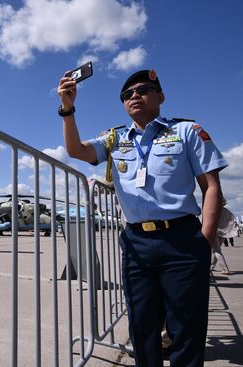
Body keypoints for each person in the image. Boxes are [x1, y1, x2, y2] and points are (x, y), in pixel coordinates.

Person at [57, 69, 228, 366]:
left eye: (143, 90)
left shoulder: (186, 132)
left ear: (160, 97)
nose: (134, 96)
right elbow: (76, 150)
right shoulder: (115, 139)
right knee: (142, 323)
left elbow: (211, 187)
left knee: (186, 325)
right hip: (136, 242)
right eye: (127, 94)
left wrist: (205, 239)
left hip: (182, 239)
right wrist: (68, 110)